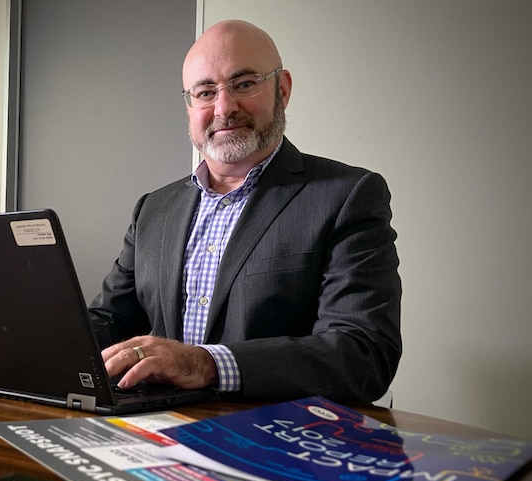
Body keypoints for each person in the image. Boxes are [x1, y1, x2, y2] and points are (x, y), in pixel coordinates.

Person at [89, 19, 401, 404]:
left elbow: (364, 354)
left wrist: (206, 364)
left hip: (275, 443)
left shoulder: (347, 195)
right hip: (157, 431)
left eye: (244, 83)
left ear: (282, 89)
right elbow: (109, 323)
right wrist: (18, 336)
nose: (224, 107)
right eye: (205, 92)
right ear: (189, 106)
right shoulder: (154, 209)